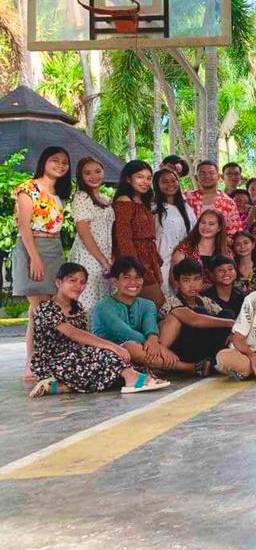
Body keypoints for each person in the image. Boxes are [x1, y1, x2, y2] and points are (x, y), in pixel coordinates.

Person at [28, 262, 168, 397]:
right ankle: (133, 380)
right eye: (72, 281)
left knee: (115, 368)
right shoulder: (47, 308)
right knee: (108, 356)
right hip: (53, 362)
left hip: (73, 359)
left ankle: (60, 387)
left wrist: (94, 354)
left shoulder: (77, 308)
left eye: (82, 282)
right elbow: (73, 333)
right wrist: (112, 347)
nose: (78, 286)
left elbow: (82, 344)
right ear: (59, 283)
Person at [13, 145, 71, 376]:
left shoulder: (60, 192)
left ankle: (41, 361)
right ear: (44, 161)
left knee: (46, 308)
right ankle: (33, 362)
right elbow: (23, 226)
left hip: (54, 247)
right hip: (32, 246)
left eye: (65, 162)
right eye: (55, 160)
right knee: (38, 309)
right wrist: (34, 258)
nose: (60, 165)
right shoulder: (29, 187)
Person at [92, 257, 191, 374]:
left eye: (138, 277)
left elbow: (151, 328)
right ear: (114, 281)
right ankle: (190, 368)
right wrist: (159, 348)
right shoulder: (104, 306)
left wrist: (153, 340)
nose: (133, 282)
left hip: (145, 349)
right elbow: (124, 332)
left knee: (173, 321)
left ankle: (153, 363)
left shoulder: (147, 304)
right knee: (131, 347)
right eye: (126, 278)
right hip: (113, 353)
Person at [158, 259, 235, 376]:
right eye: (186, 280)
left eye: (197, 279)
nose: (192, 285)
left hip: (203, 346)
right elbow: (194, 320)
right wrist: (233, 323)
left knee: (227, 313)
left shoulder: (205, 301)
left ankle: (212, 361)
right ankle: (206, 363)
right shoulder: (171, 301)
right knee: (201, 312)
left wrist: (234, 330)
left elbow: (225, 318)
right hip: (182, 349)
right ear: (177, 283)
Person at [112, 159, 165, 308]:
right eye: (140, 177)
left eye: (148, 178)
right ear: (129, 179)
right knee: (157, 301)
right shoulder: (124, 201)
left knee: (144, 305)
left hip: (148, 256)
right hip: (135, 258)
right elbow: (123, 236)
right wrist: (133, 266)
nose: (145, 182)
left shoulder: (143, 201)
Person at [69, 156, 115, 314]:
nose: (94, 176)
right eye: (87, 173)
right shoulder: (82, 197)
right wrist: (103, 261)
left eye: (97, 171)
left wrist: (109, 259)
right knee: (87, 304)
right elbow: (84, 233)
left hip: (105, 257)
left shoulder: (105, 199)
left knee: (103, 305)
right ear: (80, 176)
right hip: (89, 257)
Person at [153, 167, 197, 295]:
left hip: (184, 261)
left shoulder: (186, 208)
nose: (170, 184)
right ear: (157, 185)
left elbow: (194, 234)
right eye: (164, 181)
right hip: (162, 262)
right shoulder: (153, 209)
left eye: (173, 180)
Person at [169, 209, 228, 291]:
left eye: (211, 224)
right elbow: (174, 281)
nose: (206, 227)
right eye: (203, 222)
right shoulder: (183, 251)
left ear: (219, 228)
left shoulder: (225, 252)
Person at [184, 160, 242, 241]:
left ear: (218, 177)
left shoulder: (228, 203)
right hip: (189, 246)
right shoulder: (186, 198)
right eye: (202, 173)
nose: (207, 176)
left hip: (218, 248)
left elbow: (235, 234)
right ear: (197, 177)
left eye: (211, 173)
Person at [230, 230, 256, 294]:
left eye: (246, 243)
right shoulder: (231, 270)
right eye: (238, 244)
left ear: (253, 245)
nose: (242, 246)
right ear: (234, 248)